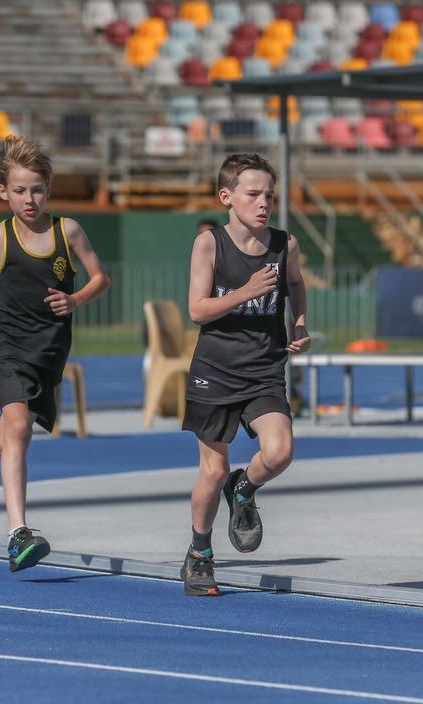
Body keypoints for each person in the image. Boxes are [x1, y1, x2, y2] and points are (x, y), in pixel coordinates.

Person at [0, 135, 110, 573]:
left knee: (12, 434)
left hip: (49, 349)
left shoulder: (67, 231)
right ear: (3, 192)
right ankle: (18, 533)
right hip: (9, 344)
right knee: (20, 432)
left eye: (36, 189)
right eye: (18, 190)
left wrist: (76, 300)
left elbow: (100, 278)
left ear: (48, 190)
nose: (28, 199)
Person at [179, 153, 311, 596]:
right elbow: (197, 310)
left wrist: (299, 322)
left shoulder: (284, 245)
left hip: (264, 370)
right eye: (253, 194)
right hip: (215, 370)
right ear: (227, 197)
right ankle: (199, 554)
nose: (263, 203)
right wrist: (246, 292)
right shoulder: (209, 244)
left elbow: (296, 284)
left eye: (269, 195)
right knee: (211, 471)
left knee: (280, 451)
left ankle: (245, 487)